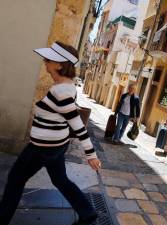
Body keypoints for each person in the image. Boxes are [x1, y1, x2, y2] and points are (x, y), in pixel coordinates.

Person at [0, 42, 101, 225]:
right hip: (55, 145)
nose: (45, 61)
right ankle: (88, 213)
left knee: (16, 178)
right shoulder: (67, 86)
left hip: (42, 148)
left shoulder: (60, 91)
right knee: (60, 180)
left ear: (60, 65)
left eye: (49, 59)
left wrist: (91, 154)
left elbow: (77, 124)